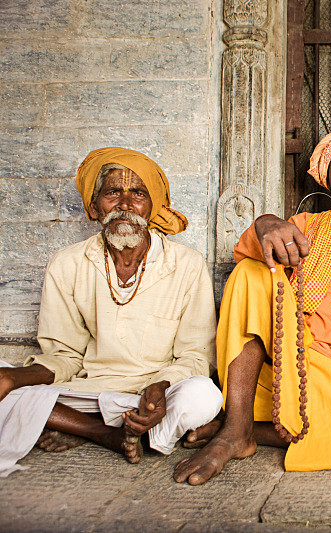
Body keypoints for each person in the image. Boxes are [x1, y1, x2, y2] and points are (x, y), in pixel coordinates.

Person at [173, 124, 331, 485]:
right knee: (250, 272)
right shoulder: (305, 224)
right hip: (297, 364)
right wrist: (265, 223)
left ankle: (247, 428)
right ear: (326, 181)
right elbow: (251, 254)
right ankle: (237, 429)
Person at [0, 147, 220, 477]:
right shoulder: (68, 263)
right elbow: (65, 354)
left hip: (155, 397)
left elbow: (196, 356)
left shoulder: (187, 265)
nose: (125, 204)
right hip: (87, 392)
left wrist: (161, 385)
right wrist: (14, 378)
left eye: (138, 194)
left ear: (153, 206)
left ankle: (87, 429)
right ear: (94, 206)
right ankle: (106, 434)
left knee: (204, 396)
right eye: (112, 192)